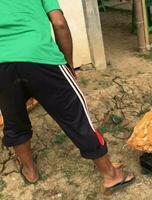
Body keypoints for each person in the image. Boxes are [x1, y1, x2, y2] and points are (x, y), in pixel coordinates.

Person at [0, 0, 134, 194]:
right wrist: (68, 64)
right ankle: (111, 175)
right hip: (41, 56)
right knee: (77, 116)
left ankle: (30, 171)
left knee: (14, 120)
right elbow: (59, 23)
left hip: (2, 64)